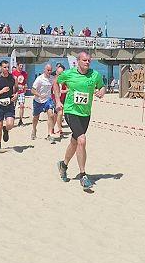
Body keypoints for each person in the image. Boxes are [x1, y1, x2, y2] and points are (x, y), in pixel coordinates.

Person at [54, 51, 106, 190]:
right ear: (78, 61)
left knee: (75, 141)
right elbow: (56, 82)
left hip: (85, 113)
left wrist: (101, 92)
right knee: (82, 140)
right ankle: (83, 175)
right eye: (84, 60)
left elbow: (102, 86)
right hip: (71, 111)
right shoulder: (69, 74)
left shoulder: (95, 75)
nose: (87, 62)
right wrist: (58, 101)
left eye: (89, 60)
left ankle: (63, 165)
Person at [0, 60, 18, 150]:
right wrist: (1, 91)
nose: (6, 69)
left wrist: (16, 95)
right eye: (4, 67)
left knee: (10, 125)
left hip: (9, 105)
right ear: (0, 68)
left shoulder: (13, 78)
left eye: (7, 67)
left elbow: (16, 89)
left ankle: (6, 130)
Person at [31, 64, 57, 142]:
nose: (49, 72)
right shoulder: (39, 79)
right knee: (36, 117)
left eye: (50, 70)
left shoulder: (52, 78)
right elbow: (32, 90)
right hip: (38, 101)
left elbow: (57, 84)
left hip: (48, 100)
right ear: (44, 70)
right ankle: (34, 130)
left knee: (51, 115)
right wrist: (39, 95)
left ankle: (49, 134)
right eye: (48, 70)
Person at [53, 64, 68, 135]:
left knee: (58, 114)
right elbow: (56, 91)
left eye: (62, 73)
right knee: (59, 113)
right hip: (55, 99)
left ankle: (55, 128)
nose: (60, 74)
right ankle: (59, 129)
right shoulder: (54, 79)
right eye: (59, 73)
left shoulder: (64, 80)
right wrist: (66, 91)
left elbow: (68, 88)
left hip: (62, 99)